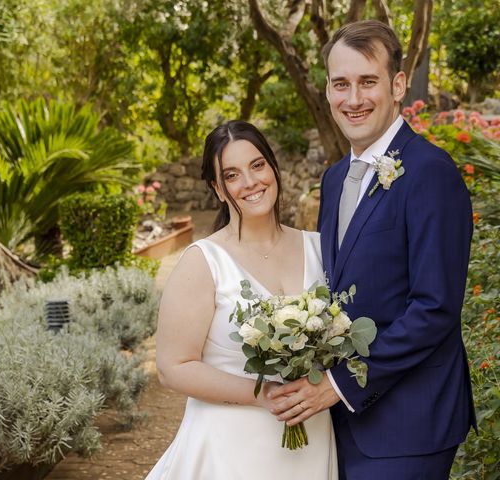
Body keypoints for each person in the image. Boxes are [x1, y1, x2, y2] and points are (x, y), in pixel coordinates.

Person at [266, 20, 476, 479]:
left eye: (368, 82)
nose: (353, 99)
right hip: (344, 423)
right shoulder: (336, 177)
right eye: (341, 83)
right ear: (327, 90)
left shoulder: (430, 173)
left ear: (398, 85)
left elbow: (434, 309)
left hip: (410, 425)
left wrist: (337, 385)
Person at [146, 120, 338, 479]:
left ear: (272, 167)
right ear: (218, 189)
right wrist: (261, 394)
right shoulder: (203, 261)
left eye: (257, 165)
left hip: (311, 439)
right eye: (232, 175)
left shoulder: (319, 247)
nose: (251, 183)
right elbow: (173, 367)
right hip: (228, 449)